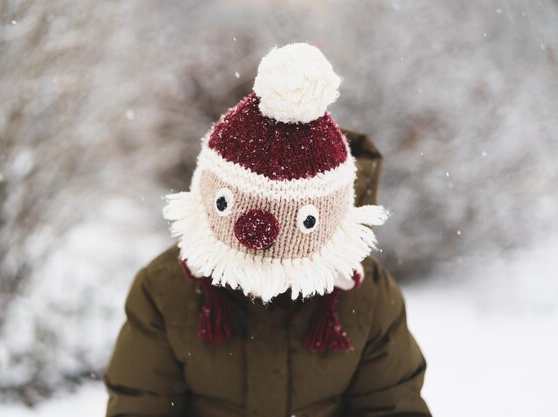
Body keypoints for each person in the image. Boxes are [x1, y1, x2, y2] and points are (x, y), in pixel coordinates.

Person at [104, 43, 431, 417]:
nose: (258, 243)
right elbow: (140, 405)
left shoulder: (366, 297)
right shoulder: (165, 289)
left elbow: (392, 406)